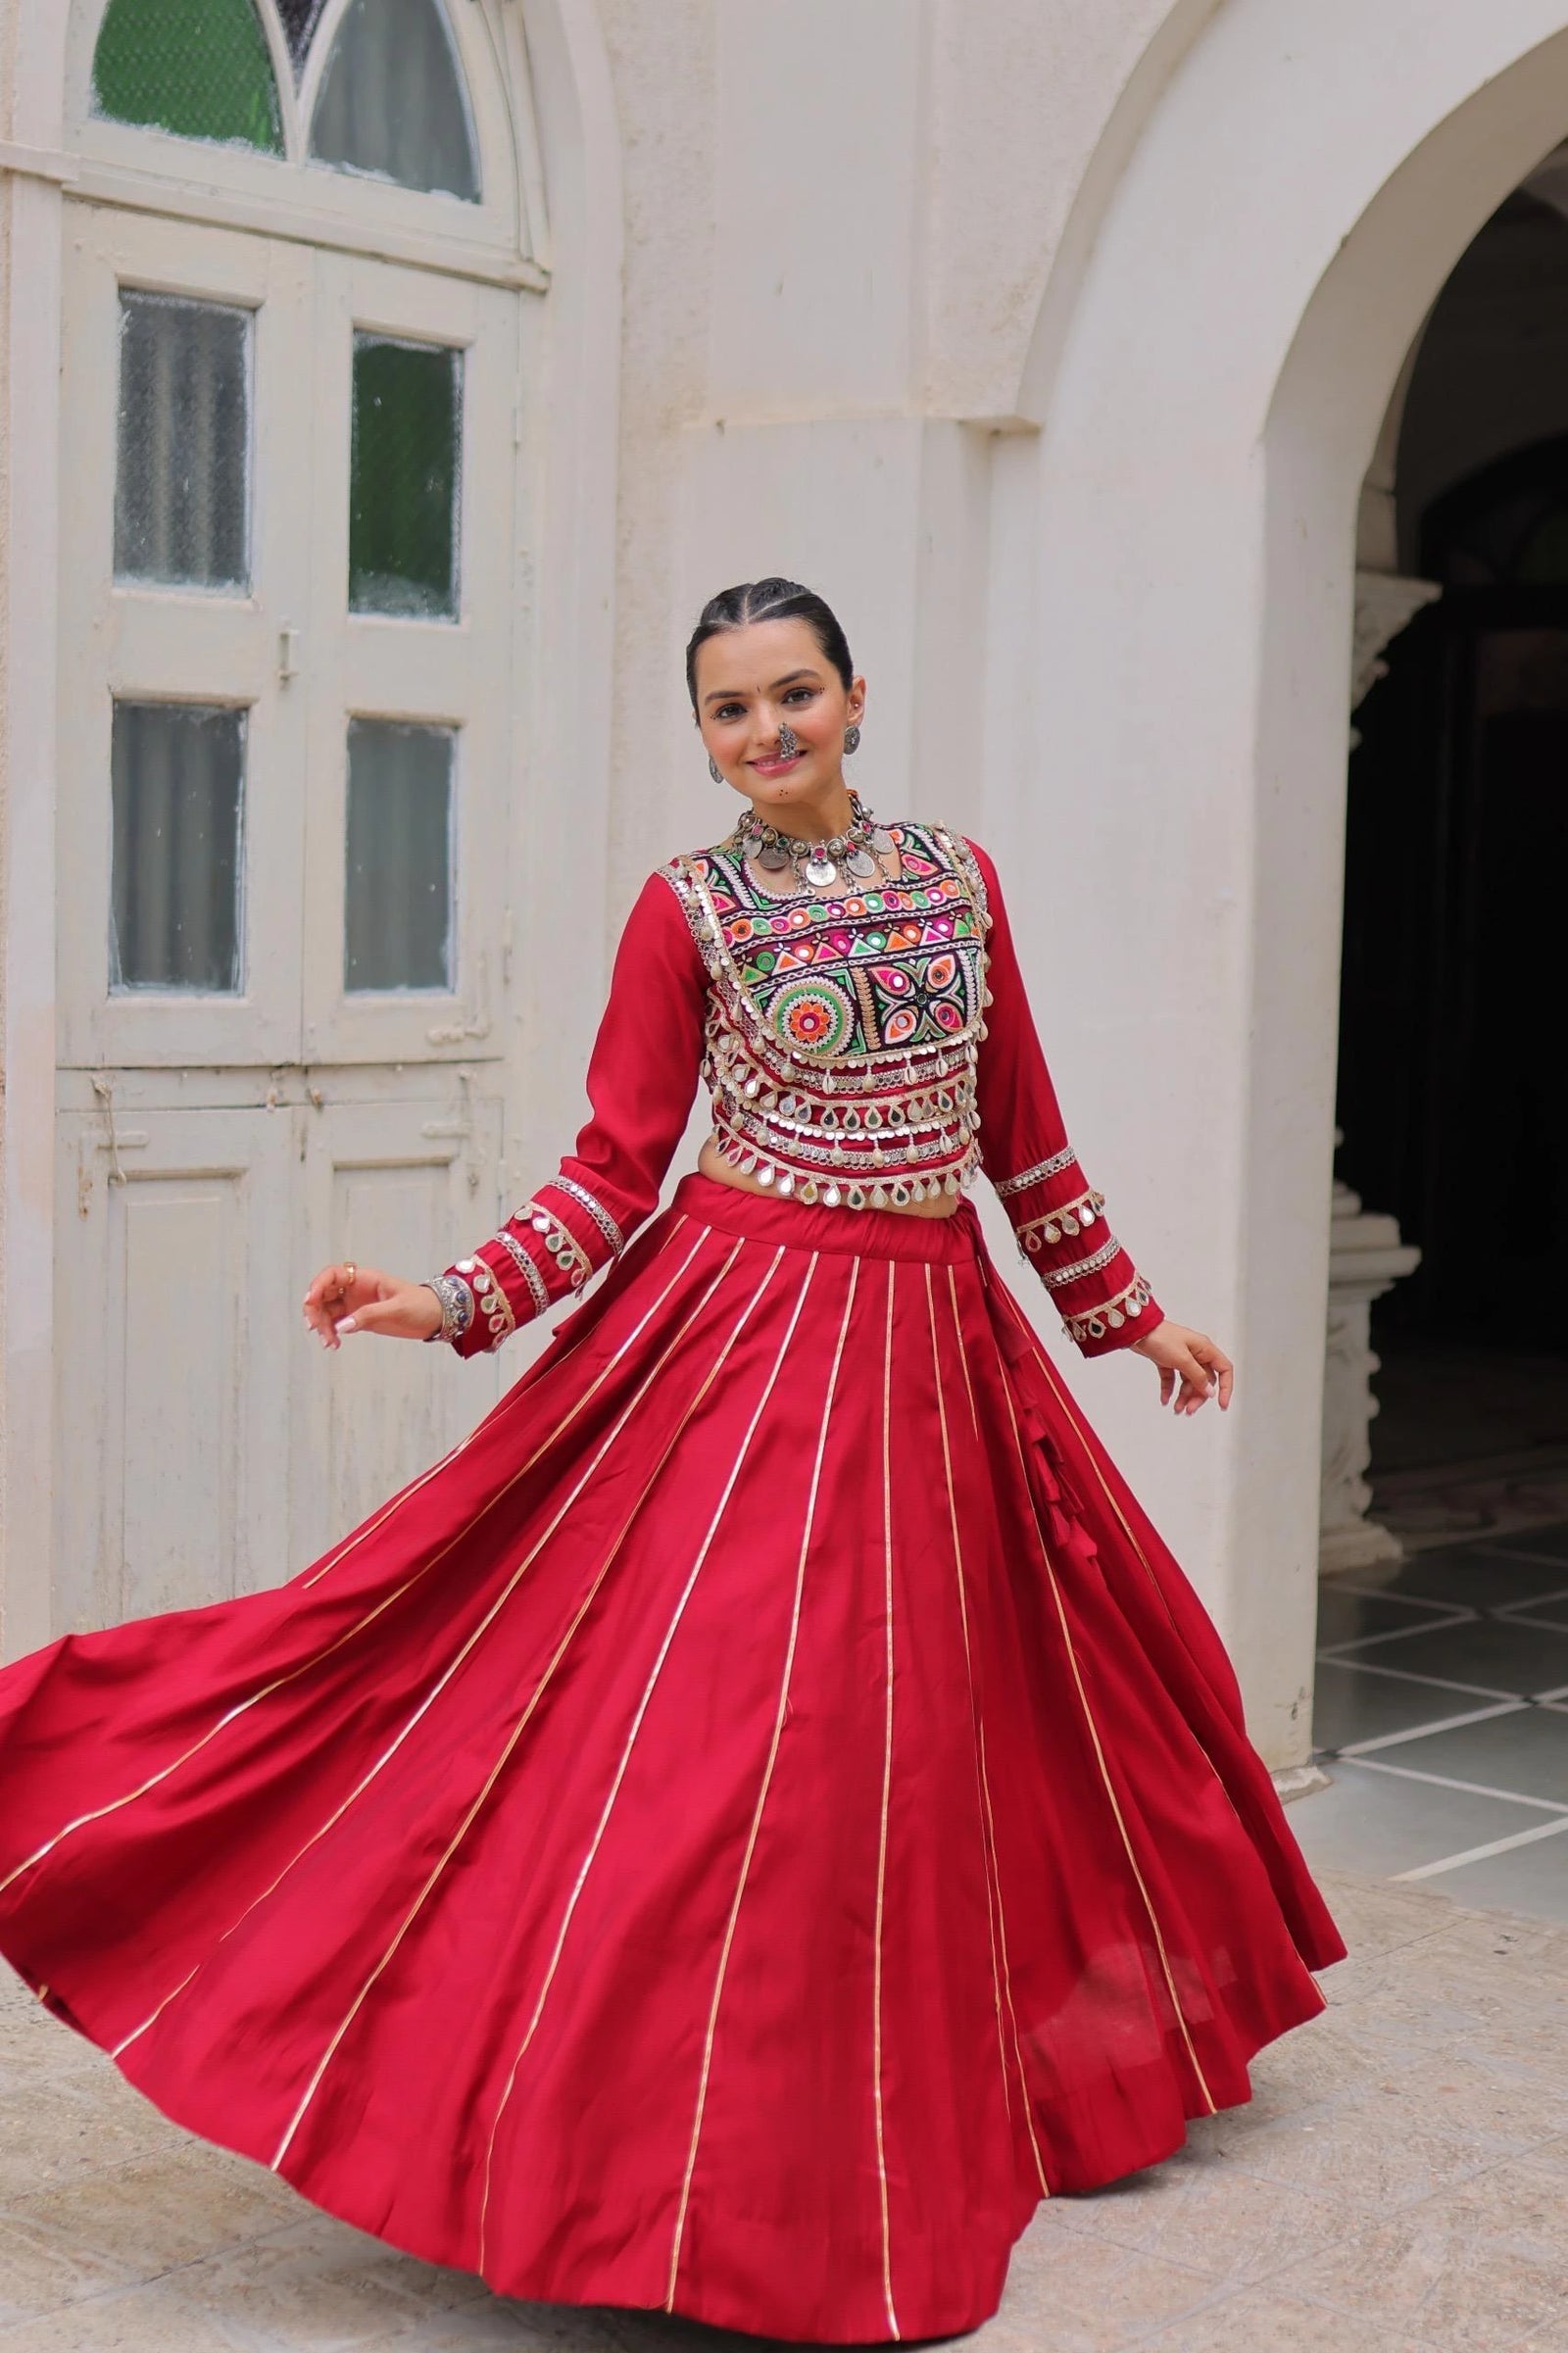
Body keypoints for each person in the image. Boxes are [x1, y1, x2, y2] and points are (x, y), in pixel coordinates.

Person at [0, 579, 1342, 2345]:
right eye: (730, 709)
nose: (768, 731)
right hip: (747, 1347)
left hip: (934, 1352)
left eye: (796, 694)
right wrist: (452, 1299)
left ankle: (905, 2114)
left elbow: (1023, 1137)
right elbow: (612, 1171)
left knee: (942, 1740)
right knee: (729, 1753)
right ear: (701, 732)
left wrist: (1129, 1314)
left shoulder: (959, 879)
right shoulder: (686, 913)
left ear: (858, 695)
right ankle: (679, 2161)